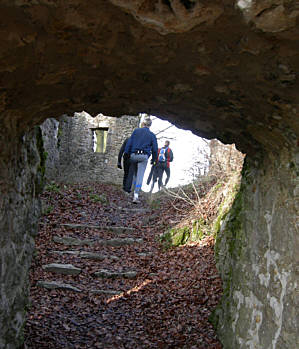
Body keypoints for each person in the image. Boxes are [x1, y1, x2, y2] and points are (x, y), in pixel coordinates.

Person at [124, 118, 158, 203]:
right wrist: (154, 160)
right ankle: (136, 195)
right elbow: (155, 149)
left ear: (143, 123)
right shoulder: (152, 135)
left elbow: (129, 143)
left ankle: (132, 191)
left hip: (133, 155)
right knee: (140, 176)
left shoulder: (136, 131)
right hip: (143, 156)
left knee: (135, 175)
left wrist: (126, 154)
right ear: (150, 125)